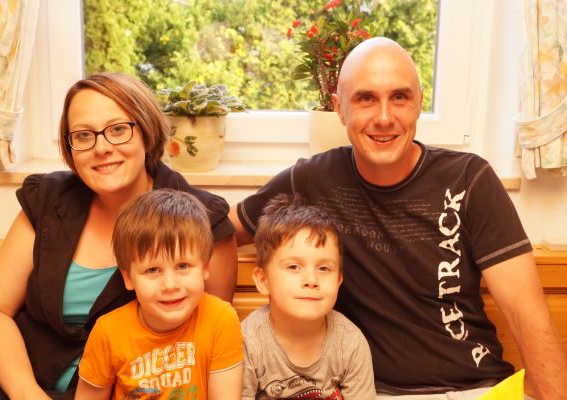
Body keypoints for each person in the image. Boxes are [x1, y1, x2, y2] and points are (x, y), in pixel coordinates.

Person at [229, 37, 567, 399]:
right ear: (339, 109)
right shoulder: (313, 179)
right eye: (365, 98)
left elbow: (527, 315)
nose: (384, 118)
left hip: (474, 388)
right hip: (371, 392)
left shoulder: (470, 179)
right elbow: (219, 229)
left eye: (400, 97)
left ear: (419, 102)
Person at [0, 72, 238, 399]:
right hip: (22, 380)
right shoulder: (48, 201)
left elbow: (204, 339)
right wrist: (26, 392)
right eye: (83, 135)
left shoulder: (203, 221)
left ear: (147, 132)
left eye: (118, 130)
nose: (102, 148)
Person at [75, 188, 242, 400]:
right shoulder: (107, 333)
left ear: (205, 268)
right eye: (153, 270)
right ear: (128, 278)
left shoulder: (220, 320)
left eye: (182, 266)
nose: (170, 285)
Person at [242, 194, 376, 400]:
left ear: (338, 281)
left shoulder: (350, 343)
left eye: (324, 268)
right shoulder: (248, 342)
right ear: (263, 280)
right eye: (293, 267)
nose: (311, 280)